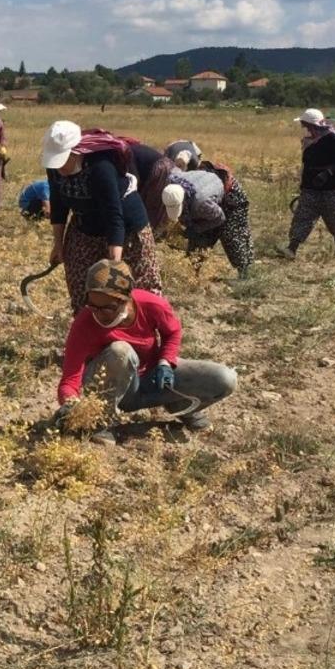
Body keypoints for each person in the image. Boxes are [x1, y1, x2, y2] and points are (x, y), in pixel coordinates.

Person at [55, 259, 237, 445]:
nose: (99, 314)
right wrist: (73, 406)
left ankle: (179, 404)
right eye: (93, 306)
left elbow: (172, 332)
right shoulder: (85, 323)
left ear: (125, 299)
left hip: (153, 380)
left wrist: (165, 362)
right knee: (121, 350)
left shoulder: (151, 304)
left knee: (224, 379)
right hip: (115, 390)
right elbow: (70, 380)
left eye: (108, 308)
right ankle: (101, 421)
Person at [43, 120, 164, 313]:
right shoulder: (54, 168)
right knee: (82, 288)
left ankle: (140, 339)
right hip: (85, 227)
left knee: (136, 291)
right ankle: (93, 336)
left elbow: (113, 214)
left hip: (126, 228)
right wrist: (58, 244)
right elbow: (58, 205)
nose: (59, 168)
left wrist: (114, 263)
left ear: (76, 152)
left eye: (62, 160)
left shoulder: (100, 166)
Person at [279, 108, 335, 259]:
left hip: (332, 189)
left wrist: (327, 173)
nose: (303, 127)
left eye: (305, 124)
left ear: (312, 125)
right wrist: (304, 185)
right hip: (311, 188)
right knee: (302, 217)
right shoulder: (309, 141)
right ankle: (292, 249)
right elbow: (308, 166)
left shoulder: (332, 138)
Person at [177, 163, 255, 277]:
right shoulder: (175, 186)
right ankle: (192, 273)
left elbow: (220, 218)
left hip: (231, 197)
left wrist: (195, 228)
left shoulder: (200, 201)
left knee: (231, 234)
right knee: (201, 235)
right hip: (211, 196)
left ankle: (245, 275)